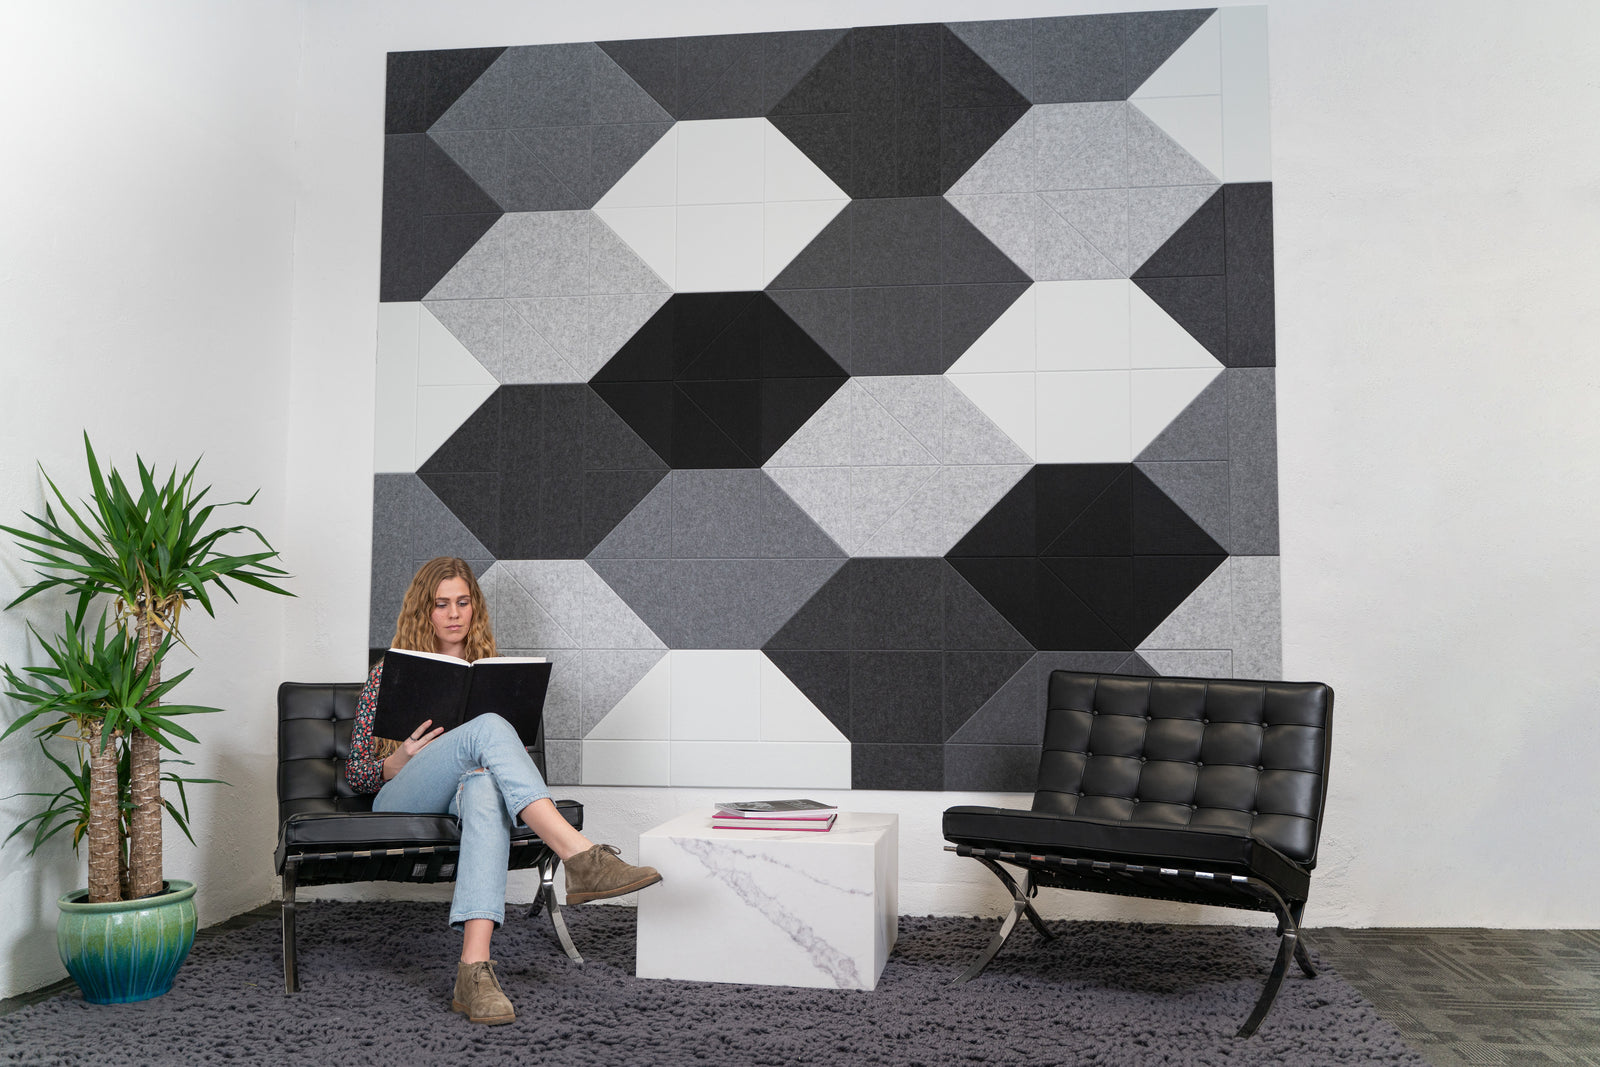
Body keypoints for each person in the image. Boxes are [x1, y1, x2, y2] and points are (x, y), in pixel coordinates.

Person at [346, 557, 661, 1025]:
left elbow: (507, 760)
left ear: (474, 607)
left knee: (482, 788)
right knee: (488, 726)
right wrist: (400, 758)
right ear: (423, 612)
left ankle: (474, 972)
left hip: (460, 793)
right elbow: (358, 774)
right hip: (401, 794)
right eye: (440, 604)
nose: (453, 613)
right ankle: (581, 856)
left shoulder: (490, 671)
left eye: (462, 602)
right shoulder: (386, 673)